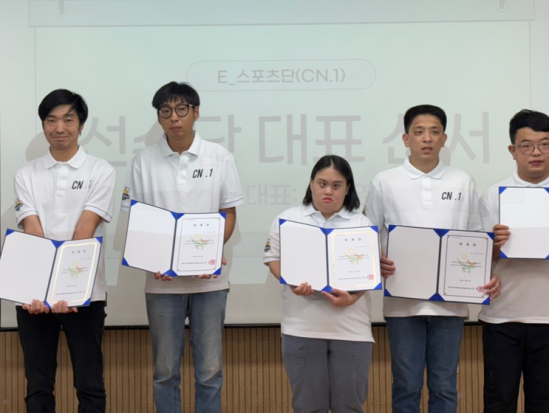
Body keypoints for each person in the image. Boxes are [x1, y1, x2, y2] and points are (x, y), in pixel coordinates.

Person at [363, 104, 500, 413]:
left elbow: (476, 236)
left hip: (450, 305)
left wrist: (483, 273)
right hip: (402, 305)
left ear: (444, 138)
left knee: (444, 387)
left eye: (434, 132)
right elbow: (368, 234)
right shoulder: (384, 181)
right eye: (419, 132)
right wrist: (376, 260)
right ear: (405, 139)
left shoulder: (462, 181)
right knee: (406, 387)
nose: (427, 138)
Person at [121, 81, 243, 413]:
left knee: (209, 372)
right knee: (165, 373)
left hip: (210, 283)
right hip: (162, 284)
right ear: (159, 117)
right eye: (165, 111)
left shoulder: (219, 157)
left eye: (181, 109)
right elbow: (137, 220)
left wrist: (211, 253)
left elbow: (228, 213)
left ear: (195, 113)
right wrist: (152, 259)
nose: (173, 117)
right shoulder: (143, 162)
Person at [14, 89, 116, 413]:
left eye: (68, 119)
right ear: (43, 125)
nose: (60, 127)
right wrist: (44, 292)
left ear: (81, 125)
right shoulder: (26, 174)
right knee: (38, 384)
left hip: (85, 294)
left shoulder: (100, 170)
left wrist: (67, 291)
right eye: (51, 120)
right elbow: (33, 232)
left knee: (90, 385)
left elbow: (84, 231)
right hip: (34, 298)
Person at [479, 109, 549, 413]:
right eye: (526, 145)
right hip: (503, 317)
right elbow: (479, 257)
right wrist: (493, 245)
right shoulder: (493, 195)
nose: (536, 153)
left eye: (544, 144)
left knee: (547, 404)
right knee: (498, 402)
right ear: (513, 150)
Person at [263, 155, 374, 413]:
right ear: (311, 183)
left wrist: (352, 298)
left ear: (347, 188)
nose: (328, 191)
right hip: (302, 328)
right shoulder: (288, 218)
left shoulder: (361, 223)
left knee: (350, 407)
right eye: (322, 184)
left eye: (336, 185)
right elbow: (272, 258)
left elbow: (369, 273)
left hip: (351, 330)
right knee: (307, 407)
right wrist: (291, 281)